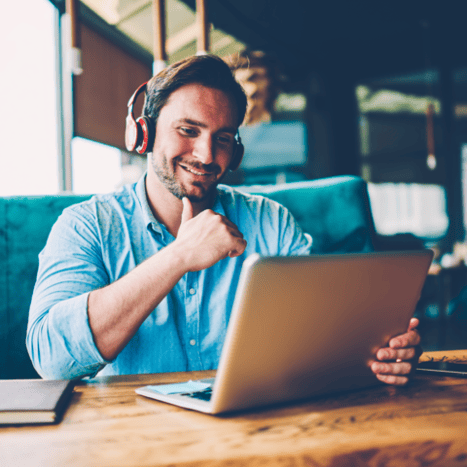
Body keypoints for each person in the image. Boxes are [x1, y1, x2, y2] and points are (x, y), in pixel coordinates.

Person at [27, 54, 420, 385]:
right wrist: (178, 256)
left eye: (223, 138)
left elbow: (320, 337)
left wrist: (379, 352)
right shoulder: (86, 226)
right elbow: (52, 360)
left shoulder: (271, 222)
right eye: (187, 130)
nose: (206, 154)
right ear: (143, 133)